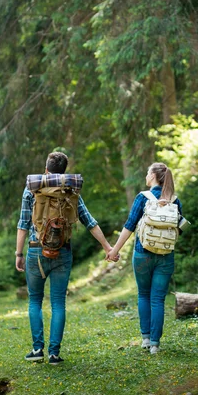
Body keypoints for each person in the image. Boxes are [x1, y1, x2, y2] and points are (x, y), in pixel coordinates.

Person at [16, 151, 113, 365]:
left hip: (36, 251)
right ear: (63, 172)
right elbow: (89, 221)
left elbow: (23, 223)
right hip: (63, 251)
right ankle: (54, 354)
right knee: (59, 303)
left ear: (46, 170)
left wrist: (18, 253)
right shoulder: (70, 191)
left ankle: (37, 349)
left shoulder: (32, 189)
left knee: (35, 300)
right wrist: (107, 246)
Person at [107, 162, 183, 354]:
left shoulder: (143, 197)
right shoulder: (174, 200)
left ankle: (146, 339)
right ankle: (156, 345)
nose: (146, 175)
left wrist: (114, 250)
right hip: (165, 256)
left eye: (148, 172)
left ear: (154, 176)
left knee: (143, 294)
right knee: (158, 298)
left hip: (142, 253)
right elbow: (179, 230)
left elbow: (129, 226)